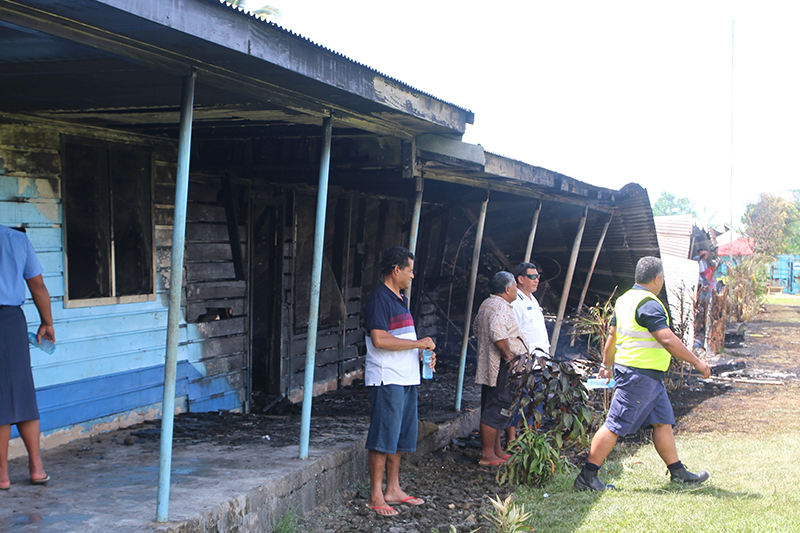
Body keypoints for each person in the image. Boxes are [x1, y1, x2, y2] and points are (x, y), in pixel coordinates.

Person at [574, 256, 712, 491]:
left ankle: (678, 473)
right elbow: (667, 339)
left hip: (647, 377)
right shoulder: (649, 303)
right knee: (615, 424)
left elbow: (612, 336)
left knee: (662, 422)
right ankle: (587, 476)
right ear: (657, 278)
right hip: (638, 376)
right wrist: (697, 362)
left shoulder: (625, 299)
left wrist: (606, 365)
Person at [364, 246, 436, 516]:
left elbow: (400, 338)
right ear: (396, 270)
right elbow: (380, 339)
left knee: (398, 437)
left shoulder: (400, 299)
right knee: (383, 437)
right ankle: (375, 495)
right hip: (386, 378)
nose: (412, 275)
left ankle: (393, 489)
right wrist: (418, 342)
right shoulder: (379, 299)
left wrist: (420, 353)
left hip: (406, 376)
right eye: (410, 270)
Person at [1, 224, 55, 490]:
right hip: (11, 321)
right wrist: (47, 322)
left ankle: (2, 476)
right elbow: (38, 286)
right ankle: (36, 467)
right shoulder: (16, 239)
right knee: (22, 392)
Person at [474, 271, 527, 467]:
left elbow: (476, 329)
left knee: (494, 405)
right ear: (507, 289)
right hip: (502, 366)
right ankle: (487, 455)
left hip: (490, 364)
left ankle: (496, 450)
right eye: (515, 287)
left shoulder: (487, 304)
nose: (516, 291)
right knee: (496, 408)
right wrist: (508, 356)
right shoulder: (500, 307)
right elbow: (497, 333)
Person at [508, 262, 550, 440]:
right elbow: (512, 333)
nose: (537, 280)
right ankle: (512, 441)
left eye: (537, 276)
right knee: (519, 402)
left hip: (539, 362)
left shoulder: (532, 299)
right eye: (532, 277)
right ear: (520, 279)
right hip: (525, 362)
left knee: (534, 402)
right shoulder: (516, 301)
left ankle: (530, 439)